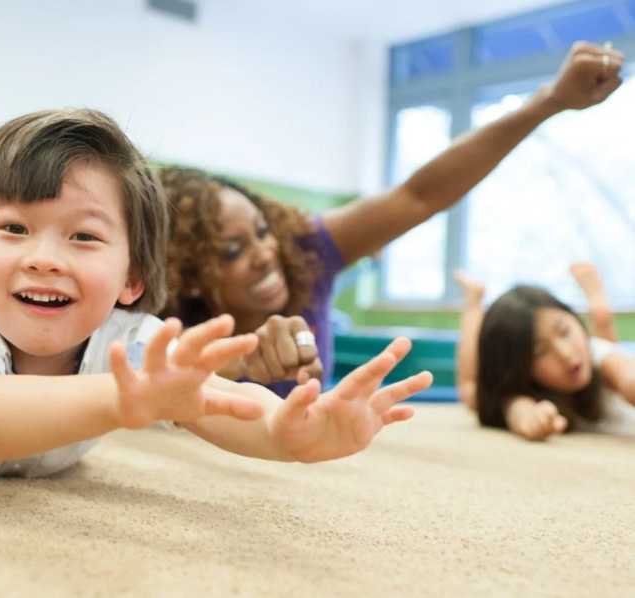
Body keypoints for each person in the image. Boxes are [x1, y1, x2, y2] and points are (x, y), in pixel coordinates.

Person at [0, 108, 432, 478]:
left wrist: (289, 437)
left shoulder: (128, 344)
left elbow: (221, 400)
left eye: (83, 236)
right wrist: (118, 401)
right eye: (14, 229)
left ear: (132, 279)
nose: (44, 259)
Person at [158, 42, 624, 395]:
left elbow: (420, 195)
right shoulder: (164, 320)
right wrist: (234, 364)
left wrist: (548, 102)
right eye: (232, 251)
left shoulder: (305, 250)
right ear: (191, 276)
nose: (265, 255)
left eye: (262, 231)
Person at [454, 265, 635, 441]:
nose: (565, 354)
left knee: (603, 336)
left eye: (564, 331)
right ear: (521, 368)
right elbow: (482, 393)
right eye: (540, 352)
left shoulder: (599, 354)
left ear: (575, 320)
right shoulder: (521, 395)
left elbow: (626, 374)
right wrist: (526, 415)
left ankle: (599, 308)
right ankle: (473, 301)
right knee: (472, 393)